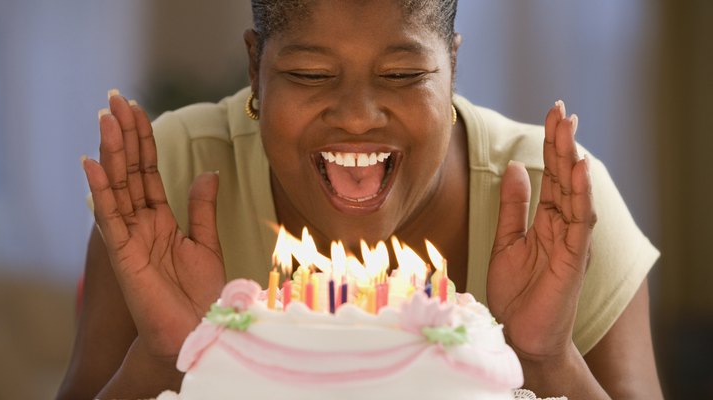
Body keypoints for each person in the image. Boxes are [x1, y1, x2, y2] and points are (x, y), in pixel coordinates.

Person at [58, 1, 663, 399]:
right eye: (312, 75)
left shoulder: (556, 204)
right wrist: (164, 359)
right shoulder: (169, 176)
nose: (356, 117)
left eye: (402, 76)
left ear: (452, 65)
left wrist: (544, 360)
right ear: (254, 67)